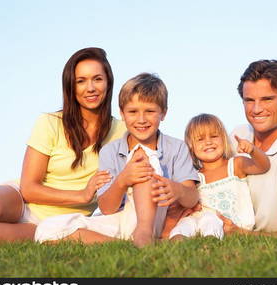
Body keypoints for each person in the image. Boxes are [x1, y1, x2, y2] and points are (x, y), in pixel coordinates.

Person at [0, 47, 127, 251]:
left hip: (52, 224)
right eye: (81, 81)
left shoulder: (123, 132)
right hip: (20, 199)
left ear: (108, 82)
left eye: (97, 79)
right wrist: (83, 195)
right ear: (71, 86)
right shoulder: (50, 122)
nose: (90, 88)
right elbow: (29, 188)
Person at [162, 59, 277, 237]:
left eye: (267, 99)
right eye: (249, 100)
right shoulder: (238, 135)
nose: (256, 109)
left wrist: (241, 233)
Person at [34, 72, 200, 247]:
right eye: (133, 112)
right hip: (121, 221)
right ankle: (129, 244)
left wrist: (178, 190)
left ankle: (144, 234)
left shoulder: (177, 147)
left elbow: (192, 197)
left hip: (159, 219)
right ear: (122, 113)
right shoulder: (110, 151)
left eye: (150, 111)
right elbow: (106, 208)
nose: (141, 119)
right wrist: (122, 180)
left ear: (163, 113)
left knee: (144, 164)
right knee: (46, 229)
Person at [168, 113, 270, 240]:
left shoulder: (236, 164)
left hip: (230, 225)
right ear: (191, 146)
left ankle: (210, 242)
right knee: (185, 223)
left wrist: (253, 150)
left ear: (224, 139)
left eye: (214, 136)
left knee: (211, 218)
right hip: (200, 222)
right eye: (200, 139)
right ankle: (178, 242)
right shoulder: (195, 177)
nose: (208, 142)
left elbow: (263, 166)